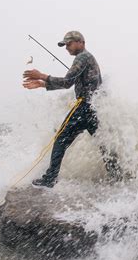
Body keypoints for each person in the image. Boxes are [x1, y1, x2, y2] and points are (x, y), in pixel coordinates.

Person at [22, 31, 121, 188]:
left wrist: (42, 76)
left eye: (69, 44)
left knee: (60, 140)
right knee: (104, 144)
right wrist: (44, 84)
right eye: (65, 45)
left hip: (84, 108)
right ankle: (117, 177)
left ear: (80, 42)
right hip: (94, 108)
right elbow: (71, 82)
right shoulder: (88, 58)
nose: (66, 48)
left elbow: (67, 82)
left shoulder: (82, 57)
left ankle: (50, 179)